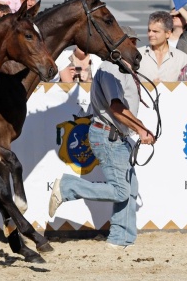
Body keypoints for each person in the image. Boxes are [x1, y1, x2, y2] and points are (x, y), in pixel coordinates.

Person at [49, 31, 156, 249]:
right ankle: (68, 187)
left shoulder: (122, 69)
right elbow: (116, 107)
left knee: (130, 187)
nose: (134, 49)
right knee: (121, 190)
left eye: (135, 43)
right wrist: (142, 129)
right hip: (108, 135)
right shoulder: (110, 69)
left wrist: (137, 129)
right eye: (130, 43)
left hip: (118, 135)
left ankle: (122, 239)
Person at [138, 11, 187, 82]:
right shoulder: (137, 55)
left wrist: (166, 87)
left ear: (168, 34)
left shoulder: (181, 58)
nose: (150, 34)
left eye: (155, 31)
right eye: (149, 30)